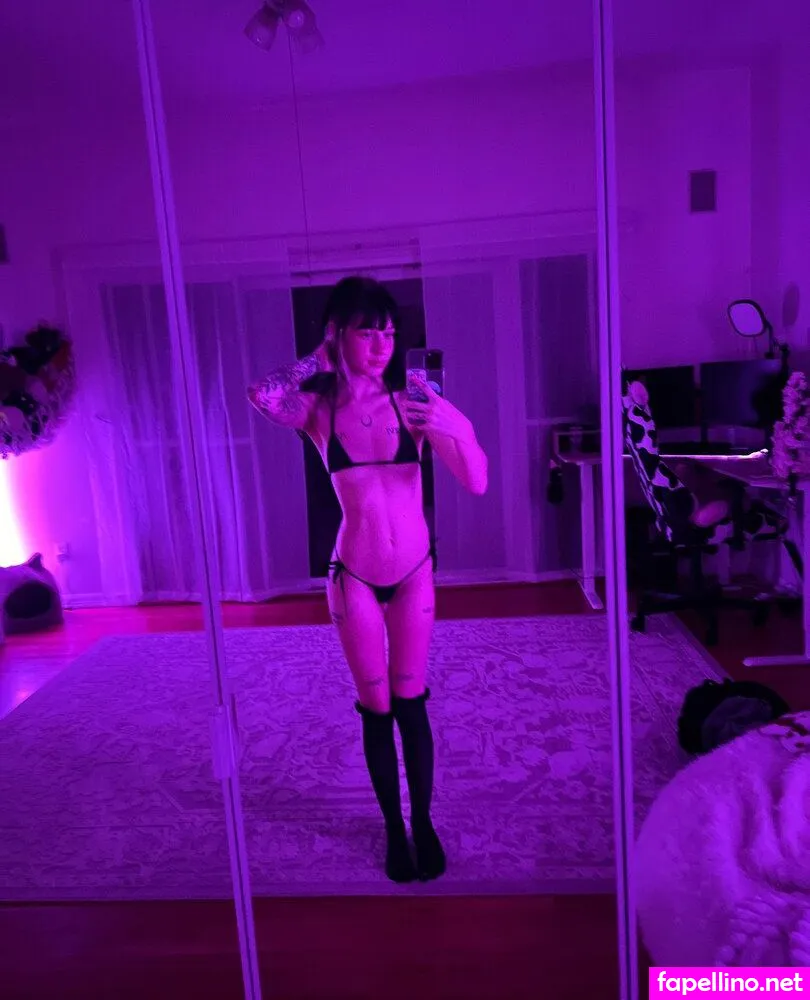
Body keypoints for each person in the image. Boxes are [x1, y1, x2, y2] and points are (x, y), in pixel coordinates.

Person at [248, 275, 488, 883]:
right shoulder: (319, 412)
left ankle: (424, 823)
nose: (383, 345)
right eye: (367, 332)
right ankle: (393, 829)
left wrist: (453, 422)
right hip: (352, 576)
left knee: (412, 703)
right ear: (338, 334)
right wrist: (317, 359)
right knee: (376, 709)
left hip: (414, 574)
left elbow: (477, 480)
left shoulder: (414, 406)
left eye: (390, 332)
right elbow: (262, 394)